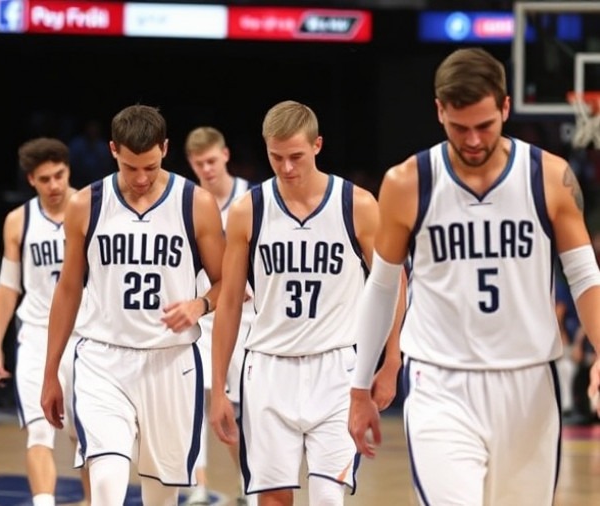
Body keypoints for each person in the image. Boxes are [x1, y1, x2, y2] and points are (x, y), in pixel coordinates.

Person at [347, 47, 600, 505]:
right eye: (459, 127)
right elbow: (382, 288)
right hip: (441, 382)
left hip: (528, 384)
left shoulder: (550, 177)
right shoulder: (407, 182)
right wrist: (360, 386)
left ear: (505, 108)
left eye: (485, 125)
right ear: (439, 110)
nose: (474, 140)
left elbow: (584, 277)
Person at [208, 100, 402, 506]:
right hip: (268, 368)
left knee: (329, 497)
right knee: (273, 499)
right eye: (275, 157)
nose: (286, 167)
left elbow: (394, 285)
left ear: (318, 145)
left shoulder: (358, 205)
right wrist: (220, 388)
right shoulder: (249, 211)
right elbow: (228, 304)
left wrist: (391, 360)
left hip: (337, 370)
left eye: (296, 156)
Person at [40, 104, 225, 506]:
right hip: (103, 360)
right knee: (106, 487)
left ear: (165, 149)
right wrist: (51, 371)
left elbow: (228, 282)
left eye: (150, 167)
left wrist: (200, 304)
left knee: (160, 496)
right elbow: (68, 289)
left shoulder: (196, 203)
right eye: (130, 168)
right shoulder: (86, 204)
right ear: (112, 151)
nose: (140, 178)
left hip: (170, 361)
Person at [0, 137, 90, 506]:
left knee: (87, 437)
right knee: (39, 432)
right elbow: (7, 285)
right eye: (45, 179)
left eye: (60, 175)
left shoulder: (92, 208)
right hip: (36, 336)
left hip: (85, 337)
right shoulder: (18, 221)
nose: (54, 185)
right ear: (31, 179)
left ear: (68, 171)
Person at [182, 126, 254, 506]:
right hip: (204, 312)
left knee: (238, 411)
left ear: (225, 155)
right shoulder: (191, 202)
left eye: (211, 161)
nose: (206, 169)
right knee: (196, 404)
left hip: (246, 319)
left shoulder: (250, 198)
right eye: (199, 163)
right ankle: (198, 487)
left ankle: (250, 481)